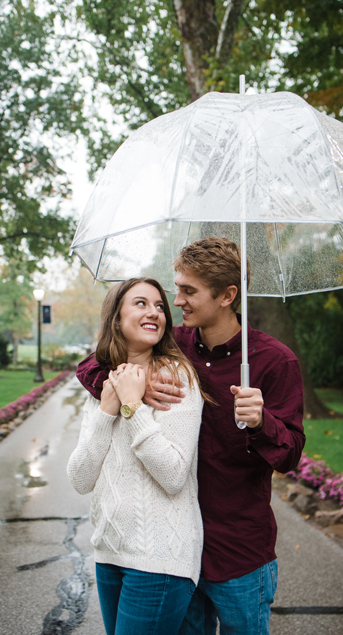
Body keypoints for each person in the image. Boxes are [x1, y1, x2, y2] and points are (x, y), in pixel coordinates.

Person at [76, 236, 305, 635]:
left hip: (238, 550)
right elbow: (91, 365)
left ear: (227, 295)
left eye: (188, 291)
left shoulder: (275, 362)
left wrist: (261, 421)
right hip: (173, 545)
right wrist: (138, 386)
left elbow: (290, 455)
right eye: (176, 288)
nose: (176, 300)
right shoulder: (174, 346)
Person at [67, 277, 205, 635]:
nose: (155, 312)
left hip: (158, 559)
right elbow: (81, 479)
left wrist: (132, 405)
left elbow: (174, 474)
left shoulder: (177, 378)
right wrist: (108, 409)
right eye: (141, 303)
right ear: (116, 318)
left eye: (159, 306)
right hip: (108, 552)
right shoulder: (100, 387)